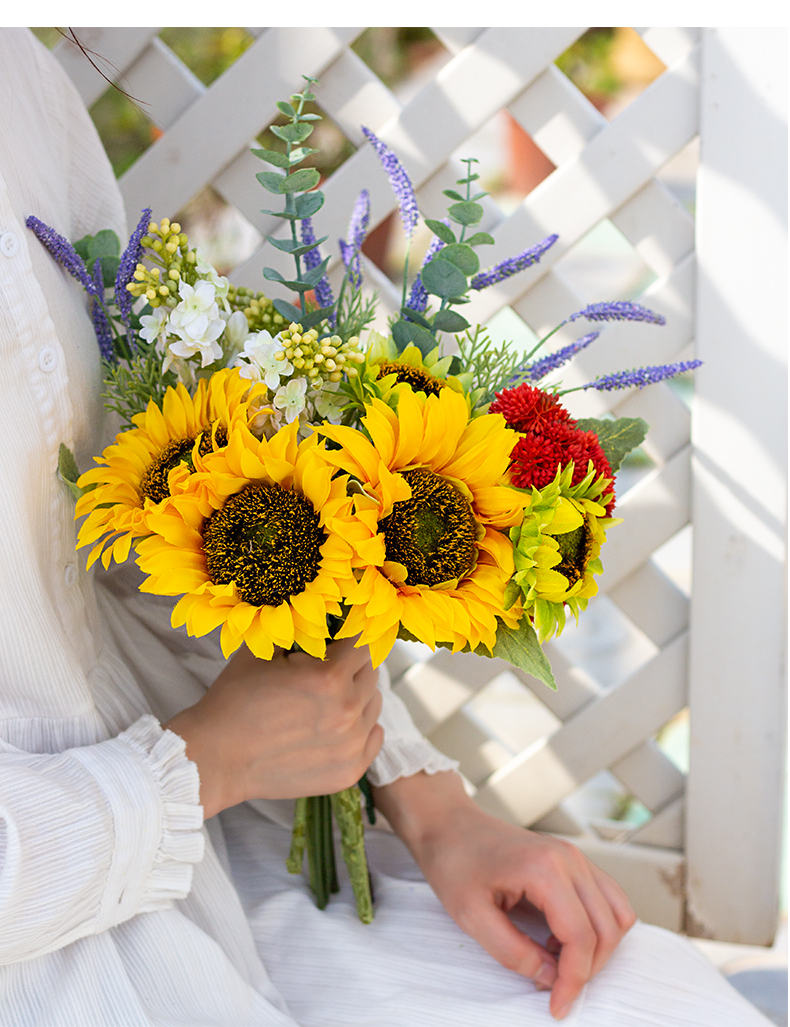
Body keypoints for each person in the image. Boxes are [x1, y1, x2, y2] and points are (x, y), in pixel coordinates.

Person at [0, 27, 772, 1027]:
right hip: (67, 921)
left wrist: (429, 803)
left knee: (655, 999)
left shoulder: (23, 83)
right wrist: (205, 764)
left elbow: (126, 512)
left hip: (200, 849)